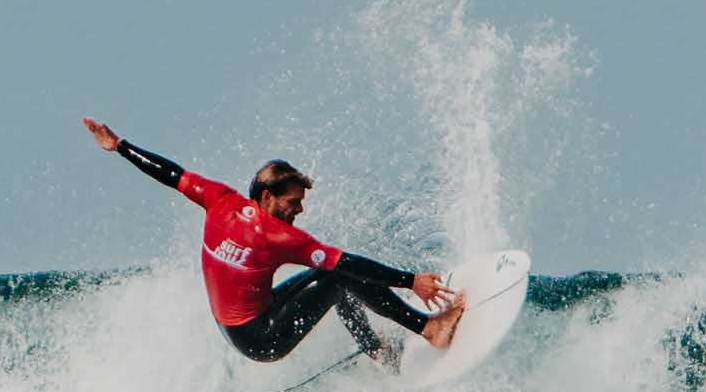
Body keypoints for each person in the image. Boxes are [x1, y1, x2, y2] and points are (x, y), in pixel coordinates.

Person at [83, 118, 463, 368]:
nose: (298, 211)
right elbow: (350, 264)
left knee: (330, 276)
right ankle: (428, 329)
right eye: (292, 202)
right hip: (261, 339)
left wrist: (119, 146)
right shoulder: (280, 237)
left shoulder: (219, 200)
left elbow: (171, 173)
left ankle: (380, 352)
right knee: (337, 277)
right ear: (266, 197)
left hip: (237, 322)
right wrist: (412, 281)